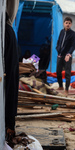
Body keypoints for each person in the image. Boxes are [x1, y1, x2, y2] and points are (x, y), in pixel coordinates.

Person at [4, 12, 19, 140]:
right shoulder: (9, 30)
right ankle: (10, 126)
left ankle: (9, 128)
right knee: (11, 95)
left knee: (9, 97)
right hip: (11, 72)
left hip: (8, 73)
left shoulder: (5, 32)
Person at [56, 16, 75, 96]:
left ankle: (67, 89)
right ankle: (60, 86)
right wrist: (58, 50)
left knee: (67, 73)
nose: (67, 24)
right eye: (66, 23)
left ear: (71, 24)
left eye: (69, 23)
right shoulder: (61, 32)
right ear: (63, 23)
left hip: (68, 55)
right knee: (58, 71)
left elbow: (73, 45)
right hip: (60, 55)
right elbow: (59, 42)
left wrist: (69, 54)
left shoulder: (73, 34)